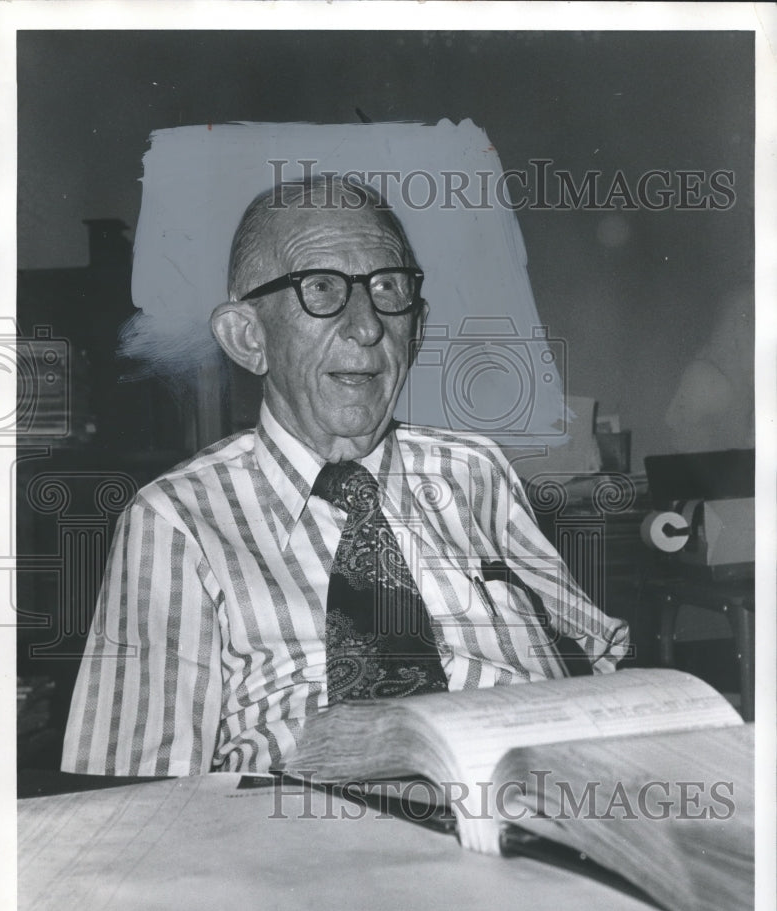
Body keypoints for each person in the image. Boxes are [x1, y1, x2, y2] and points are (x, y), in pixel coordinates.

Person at [62, 178, 629, 776]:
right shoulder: (177, 520)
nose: (367, 326)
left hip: (537, 803)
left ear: (419, 326)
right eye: (322, 288)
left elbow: (598, 652)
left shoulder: (475, 471)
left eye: (388, 288)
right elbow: (135, 796)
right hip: (308, 841)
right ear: (248, 338)